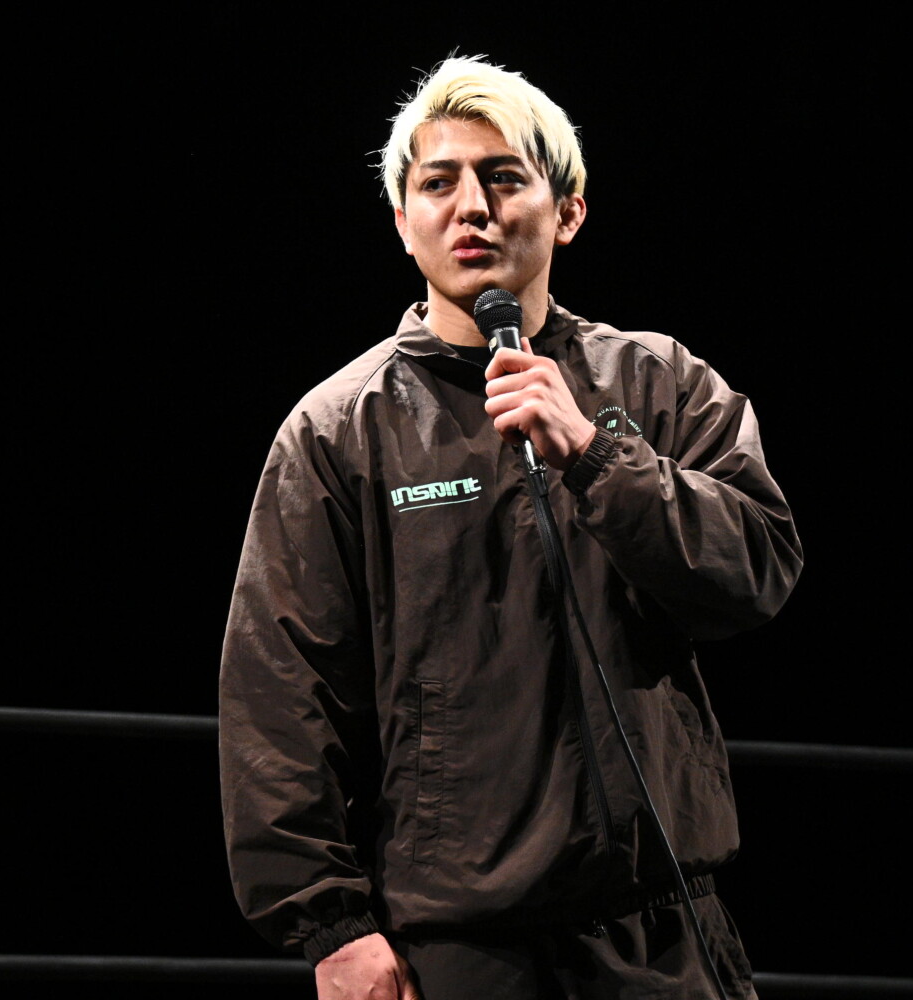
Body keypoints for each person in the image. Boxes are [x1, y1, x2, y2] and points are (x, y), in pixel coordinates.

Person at [219, 56, 802, 1000]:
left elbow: (759, 572)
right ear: (402, 221)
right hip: (461, 947)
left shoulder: (659, 382)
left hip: (663, 931)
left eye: (502, 178)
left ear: (567, 210)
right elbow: (279, 695)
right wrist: (330, 926)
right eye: (438, 183)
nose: (472, 209)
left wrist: (596, 456)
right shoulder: (337, 430)